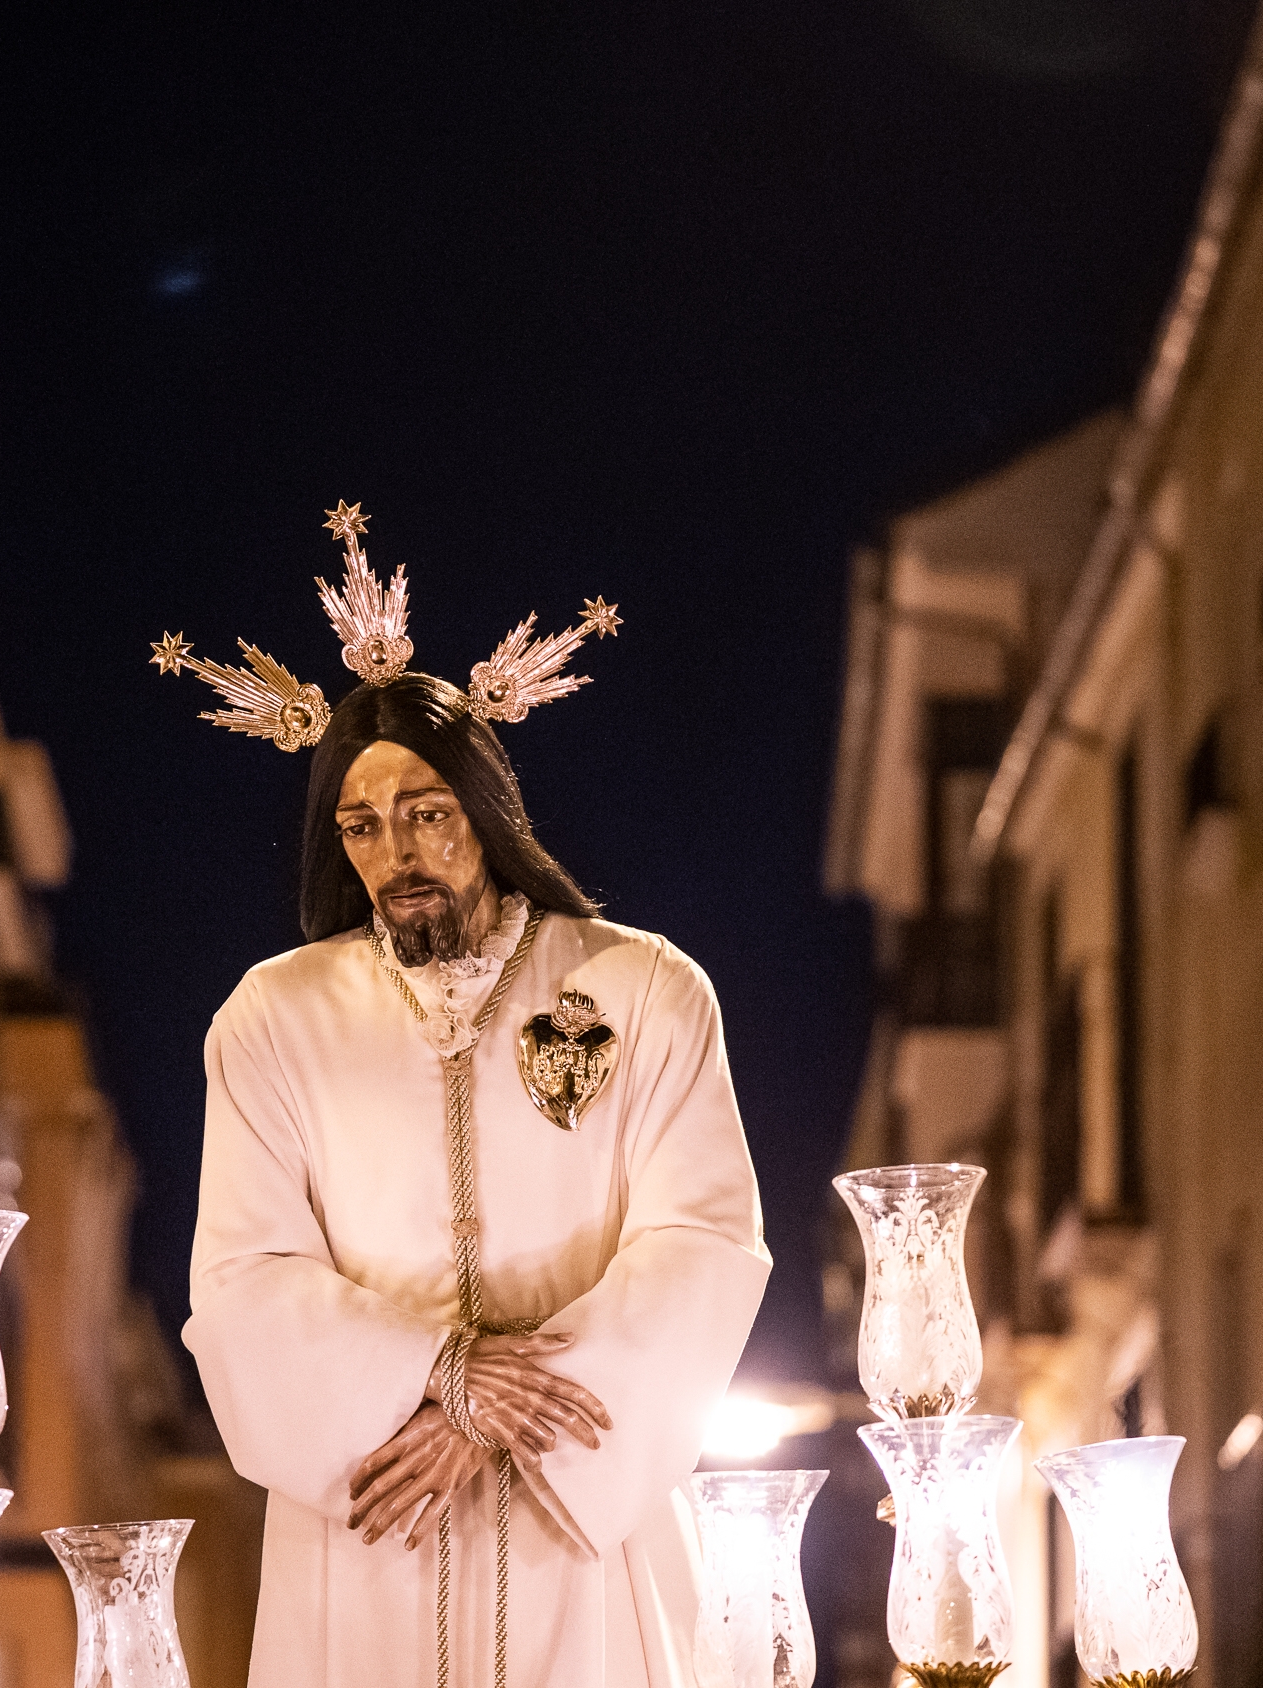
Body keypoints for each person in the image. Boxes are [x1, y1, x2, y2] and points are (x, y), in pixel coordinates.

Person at [156, 504, 770, 1688]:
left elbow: (702, 1242)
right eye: (363, 825)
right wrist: (431, 1370)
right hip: (371, 1525)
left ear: (485, 812)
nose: (397, 852)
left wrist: (499, 1409)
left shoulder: (641, 990)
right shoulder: (273, 1021)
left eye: (428, 814)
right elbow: (241, 1281)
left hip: (582, 1527)